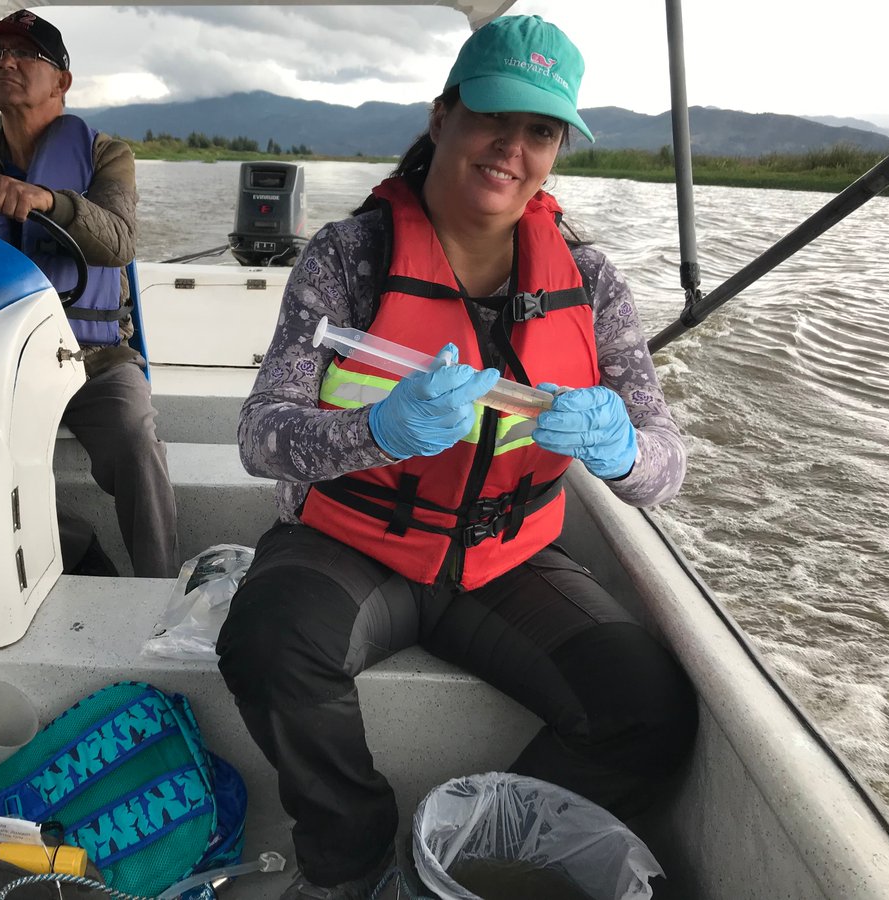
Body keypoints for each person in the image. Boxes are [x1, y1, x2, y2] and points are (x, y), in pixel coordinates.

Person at [216, 15, 698, 899]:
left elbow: (666, 465)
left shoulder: (591, 284)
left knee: (648, 706)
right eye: (493, 119)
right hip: (353, 543)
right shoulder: (347, 258)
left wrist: (621, 450)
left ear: (557, 150)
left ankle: (477, 847)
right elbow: (261, 434)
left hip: (508, 558)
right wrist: (378, 431)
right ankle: (353, 860)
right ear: (443, 118)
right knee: (270, 641)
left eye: (541, 132)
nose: (512, 148)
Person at [0, 9, 178, 578]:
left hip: (93, 356)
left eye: (23, 53)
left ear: (61, 81)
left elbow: (117, 241)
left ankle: (161, 591)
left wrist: (47, 200)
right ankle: (80, 549)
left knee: (136, 441)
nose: (4, 63)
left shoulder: (104, 156)